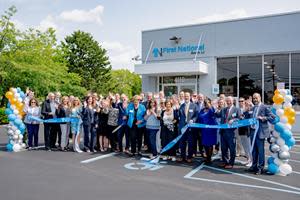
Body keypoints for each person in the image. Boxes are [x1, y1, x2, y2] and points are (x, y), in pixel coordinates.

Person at [248, 93, 275, 175]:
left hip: (260, 132)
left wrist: (263, 118)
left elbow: (272, 117)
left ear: (260, 98)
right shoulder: (252, 108)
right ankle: (254, 166)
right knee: (254, 150)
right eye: (254, 98)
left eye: (256, 98)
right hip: (253, 131)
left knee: (260, 151)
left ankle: (260, 168)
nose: (255, 100)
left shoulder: (265, 107)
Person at [215, 96, 240, 169]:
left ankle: (231, 163)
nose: (228, 102)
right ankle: (225, 162)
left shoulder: (236, 109)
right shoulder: (223, 109)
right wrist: (217, 107)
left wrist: (234, 120)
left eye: (230, 101)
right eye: (227, 101)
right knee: (224, 148)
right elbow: (217, 115)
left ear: (233, 101)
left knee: (232, 149)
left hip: (232, 133)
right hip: (223, 132)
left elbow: (240, 118)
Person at [178, 92, 199, 163]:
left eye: (187, 96)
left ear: (190, 97)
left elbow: (196, 116)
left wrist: (193, 120)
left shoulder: (194, 106)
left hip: (190, 128)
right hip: (182, 127)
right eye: (185, 96)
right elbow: (179, 116)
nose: (186, 97)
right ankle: (182, 156)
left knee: (190, 143)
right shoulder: (181, 106)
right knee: (182, 142)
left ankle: (189, 157)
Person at [198, 98, 218, 164]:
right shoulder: (202, 110)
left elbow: (212, 113)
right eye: (205, 103)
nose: (206, 104)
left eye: (208, 102)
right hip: (204, 130)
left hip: (211, 130)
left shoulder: (211, 109)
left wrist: (209, 105)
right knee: (205, 144)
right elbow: (199, 119)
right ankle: (207, 157)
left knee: (210, 144)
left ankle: (209, 158)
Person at [238, 97, 253, 167]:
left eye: (247, 104)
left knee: (248, 146)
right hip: (241, 130)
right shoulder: (244, 112)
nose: (246, 105)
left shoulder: (250, 112)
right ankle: (248, 159)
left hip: (247, 131)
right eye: (246, 104)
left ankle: (252, 160)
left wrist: (251, 105)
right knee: (245, 146)